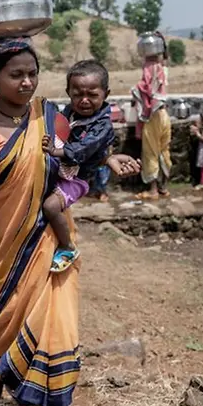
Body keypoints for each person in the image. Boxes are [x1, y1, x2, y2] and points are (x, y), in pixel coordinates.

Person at [0, 39, 137, 406]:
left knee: (56, 317)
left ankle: (50, 399)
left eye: (32, 74)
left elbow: (79, 151)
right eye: (16, 75)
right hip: (6, 242)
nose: (27, 82)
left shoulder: (48, 114)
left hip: (50, 238)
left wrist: (109, 159)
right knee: (8, 317)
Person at [40, 59, 137, 272]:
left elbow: (83, 148)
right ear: (68, 92)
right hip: (61, 170)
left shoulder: (103, 126)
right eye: (77, 95)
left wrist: (54, 151)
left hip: (77, 179)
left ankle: (67, 247)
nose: (84, 101)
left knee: (50, 206)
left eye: (92, 95)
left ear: (106, 94)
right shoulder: (68, 113)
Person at [131, 32, 172, 200]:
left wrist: (135, 92)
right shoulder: (163, 68)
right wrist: (162, 39)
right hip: (164, 115)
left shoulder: (149, 68)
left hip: (153, 116)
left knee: (151, 152)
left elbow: (146, 91)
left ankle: (153, 190)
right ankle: (164, 187)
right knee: (164, 150)